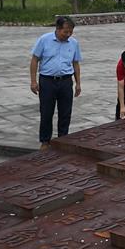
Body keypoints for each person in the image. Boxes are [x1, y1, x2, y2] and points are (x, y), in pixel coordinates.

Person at [30, 16, 82, 149]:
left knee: (65, 112)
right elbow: (35, 60)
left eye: (71, 32)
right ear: (57, 29)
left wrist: (78, 83)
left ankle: (62, 139)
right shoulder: (44, 40)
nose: (68, 34)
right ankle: (45, 141)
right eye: (65, 31)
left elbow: (75, 63)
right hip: (47, 81)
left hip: (65, 81)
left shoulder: (73, 43)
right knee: (46, 112)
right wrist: (33, 81)